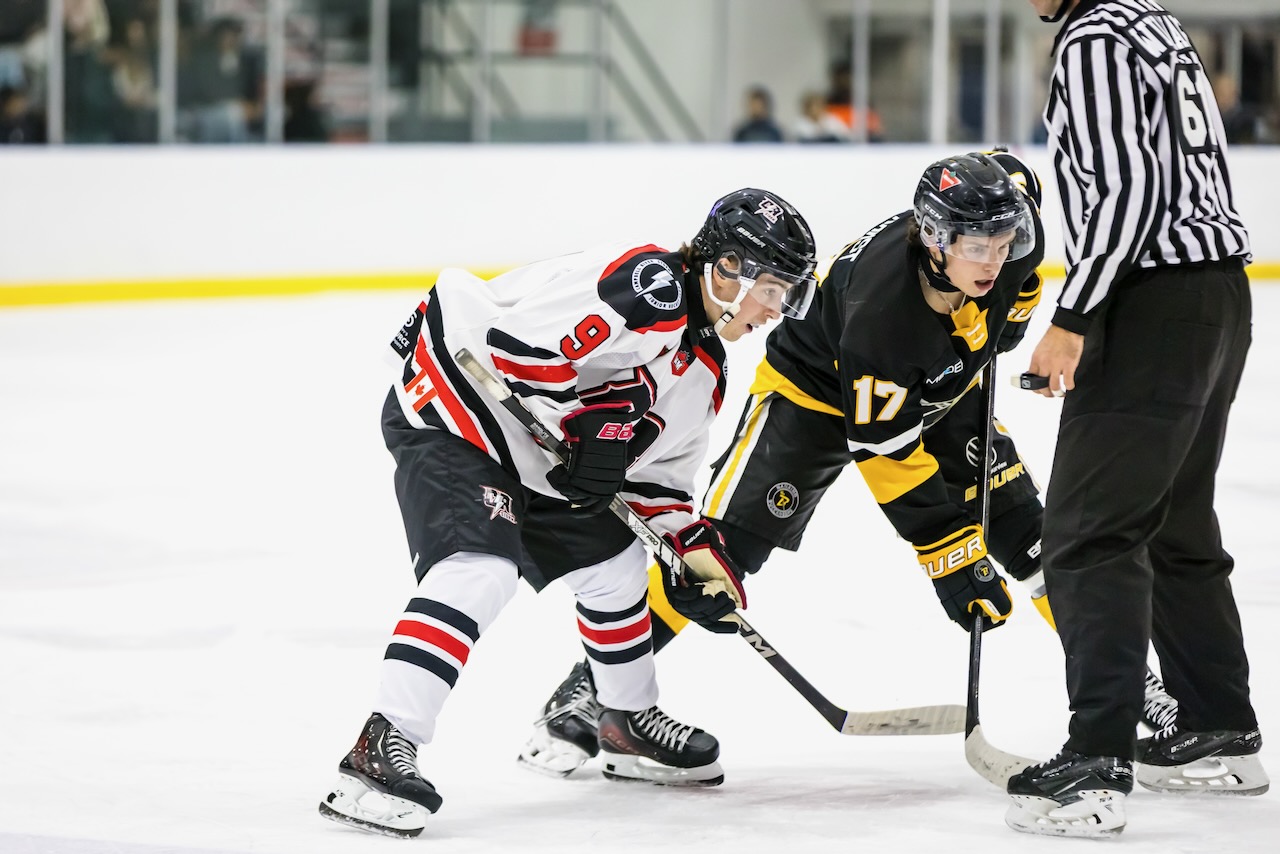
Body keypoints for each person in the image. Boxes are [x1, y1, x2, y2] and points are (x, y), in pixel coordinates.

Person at [518, 150, 1067, 777]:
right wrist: (948, 552)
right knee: (717, 554)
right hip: (812, 397)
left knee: (1030, 534)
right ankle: (593, 690)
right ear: (937, 239)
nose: (995, 258)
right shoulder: (881, 311)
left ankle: (1120, 693)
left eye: (1007, 242)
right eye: (978, 246)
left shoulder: (1007, 241)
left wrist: (1003, 321)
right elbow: (884, 448)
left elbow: (1017, 296)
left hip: (942, 391)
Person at [318, 188, 819, 837]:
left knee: (617, 566)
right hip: (459, 411)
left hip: (538, 456)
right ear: (727, 270)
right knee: (479, 570)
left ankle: (624, 722)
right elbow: (514, 350)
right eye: (772, 289)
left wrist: (695, 553)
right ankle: (378, 749)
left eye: (785, 296)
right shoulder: (649, 285)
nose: (774, 311)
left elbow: (657, 484)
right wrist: (588, 426)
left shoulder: (705, 371)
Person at [1006, 0, 1267, 839]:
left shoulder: (1093, 38)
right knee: (1175, 521)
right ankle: (1217, 726)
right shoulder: (1152, 21)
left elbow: (1128, 191)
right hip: (1215, 297)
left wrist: (1073, 316)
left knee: (1088, 534)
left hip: (1150, 306)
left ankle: (1095, 763)